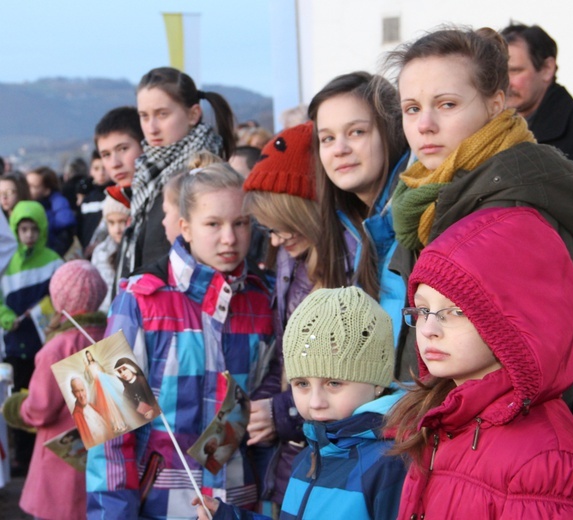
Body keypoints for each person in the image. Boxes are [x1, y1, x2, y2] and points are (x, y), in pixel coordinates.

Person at [385, 26, 573, 380]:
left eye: (447, 104)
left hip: (481, 428)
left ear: (495, 104)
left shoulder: (510, 209)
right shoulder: (421, 194)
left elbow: (523, 372)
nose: (425, 125)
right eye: (412, 108)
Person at [387, 207, 573, 518]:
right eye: (423, 310)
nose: (428, 330)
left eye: (457, 312)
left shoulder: (546, 464)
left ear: (516, 324)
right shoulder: (443, 420)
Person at [86, 161, 277, 519]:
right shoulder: (137, 298)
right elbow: (106, 428)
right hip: (157, 507)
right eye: (213, 224)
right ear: (185, 228)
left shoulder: (263, 298)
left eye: (240, 223)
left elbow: (266, 407)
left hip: (238, 504)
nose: (229, 238)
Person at [195, 286, 406, 520]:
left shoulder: (391, 463)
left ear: (377, 382)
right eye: (302, 384)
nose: (315, 403)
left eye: (334, 383)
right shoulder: (309, 457)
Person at [500, 22, 573, 425]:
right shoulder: (495, 137)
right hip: (502, 311)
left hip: (563, 315)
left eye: (515, 70)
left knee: (562, 430)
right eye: (499, 73)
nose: (506, 83)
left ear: (547, 68)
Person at [241, 121, 320, 513]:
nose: (273, 240)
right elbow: (284, 355)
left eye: (278, 226)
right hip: (288, 456)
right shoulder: (292, 258)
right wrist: (265, 407)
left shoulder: (338, 264)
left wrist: (281, 411)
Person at [307, 71, 409, 356]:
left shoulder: (420, 220)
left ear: (391, 131)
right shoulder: (346, 229)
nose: (339, 149)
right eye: (327, 138)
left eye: (356, 132)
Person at [0, 259, 108, 520]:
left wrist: (16, 407)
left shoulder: (58, 347)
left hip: (61, 465)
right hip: (101, 464)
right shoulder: (109, 336)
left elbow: (41, 410)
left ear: (60, 300)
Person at [118, 66, 236, 281]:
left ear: (193, 114)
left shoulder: (205, 175)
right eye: (144, 116)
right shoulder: (147, 175)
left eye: (162, 114)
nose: (151, 127)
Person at [0, 200, 63, 475]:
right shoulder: (7, 265)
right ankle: (22, 457)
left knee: (45, 402)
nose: (28, 235)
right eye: (23, 229)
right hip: (15, 346)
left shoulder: (53, 261)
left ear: (42, 230)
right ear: (15, 230)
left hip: (43, 346)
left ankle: (43, 455)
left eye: (33, 229)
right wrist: (5, 318)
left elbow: (61, 296)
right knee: (19, 402)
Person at [90, 194, 131, 312]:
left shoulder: (136, 249)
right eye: (111, 223)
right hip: (105, 316)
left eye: (122, 221)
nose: (117, 229)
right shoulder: (101, 252)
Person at [26, 166, 77, 257]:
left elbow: (64, 228)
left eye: (33, 186)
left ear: (46, 191)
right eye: (26, 185)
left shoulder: (55, 208)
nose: (27, 189)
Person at [94, 106, 145, 189]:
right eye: (106, 155)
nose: (115, 164)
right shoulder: (110, 201)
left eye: (123, 149)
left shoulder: (170, 196)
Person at [77, 150, 113, 258]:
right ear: (91, 171)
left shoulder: (115, 196)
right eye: (96, 169)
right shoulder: (86, 200)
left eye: (104, 168)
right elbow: (80, 228)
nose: (101, 173)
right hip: (89, 253)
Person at [83, 349, 127, 433]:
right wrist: (86, 368)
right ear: (87, 358)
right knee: (105, 405)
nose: (89, 357)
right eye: (88, 356)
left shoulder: (96, 363)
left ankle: (120, 423)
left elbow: (103, 372)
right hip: (97, 385)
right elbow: (89, 378)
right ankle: (114, 424)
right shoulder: (88, 367)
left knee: (111, 403)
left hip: (103, 383)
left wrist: (102, 377)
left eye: (90, 355)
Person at [71, 377, 111, 449]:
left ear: (86, 390)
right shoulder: (76, 415)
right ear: (73, 394)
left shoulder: (93, 406)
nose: (82, 395)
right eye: (77, 391)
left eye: (82, 390)